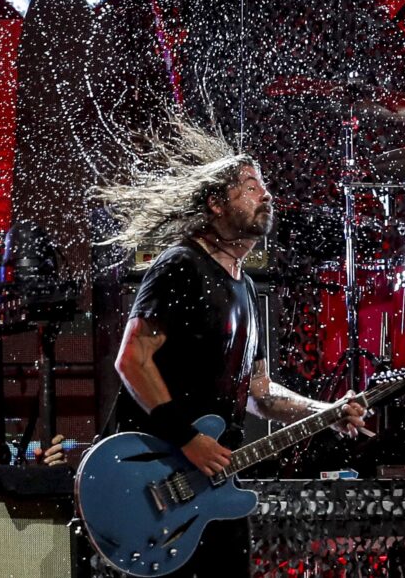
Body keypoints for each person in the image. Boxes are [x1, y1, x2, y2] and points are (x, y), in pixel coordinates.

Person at [94, 120, 366, 577]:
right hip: (155, 481)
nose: (266, 195)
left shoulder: (245, 289)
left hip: (210, 488)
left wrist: (327, 411)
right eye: (250, 187)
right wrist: (189, 439)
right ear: (216, 204)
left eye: (265, 187)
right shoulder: (181, 265)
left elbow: (258, 392)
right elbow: (132, 359)